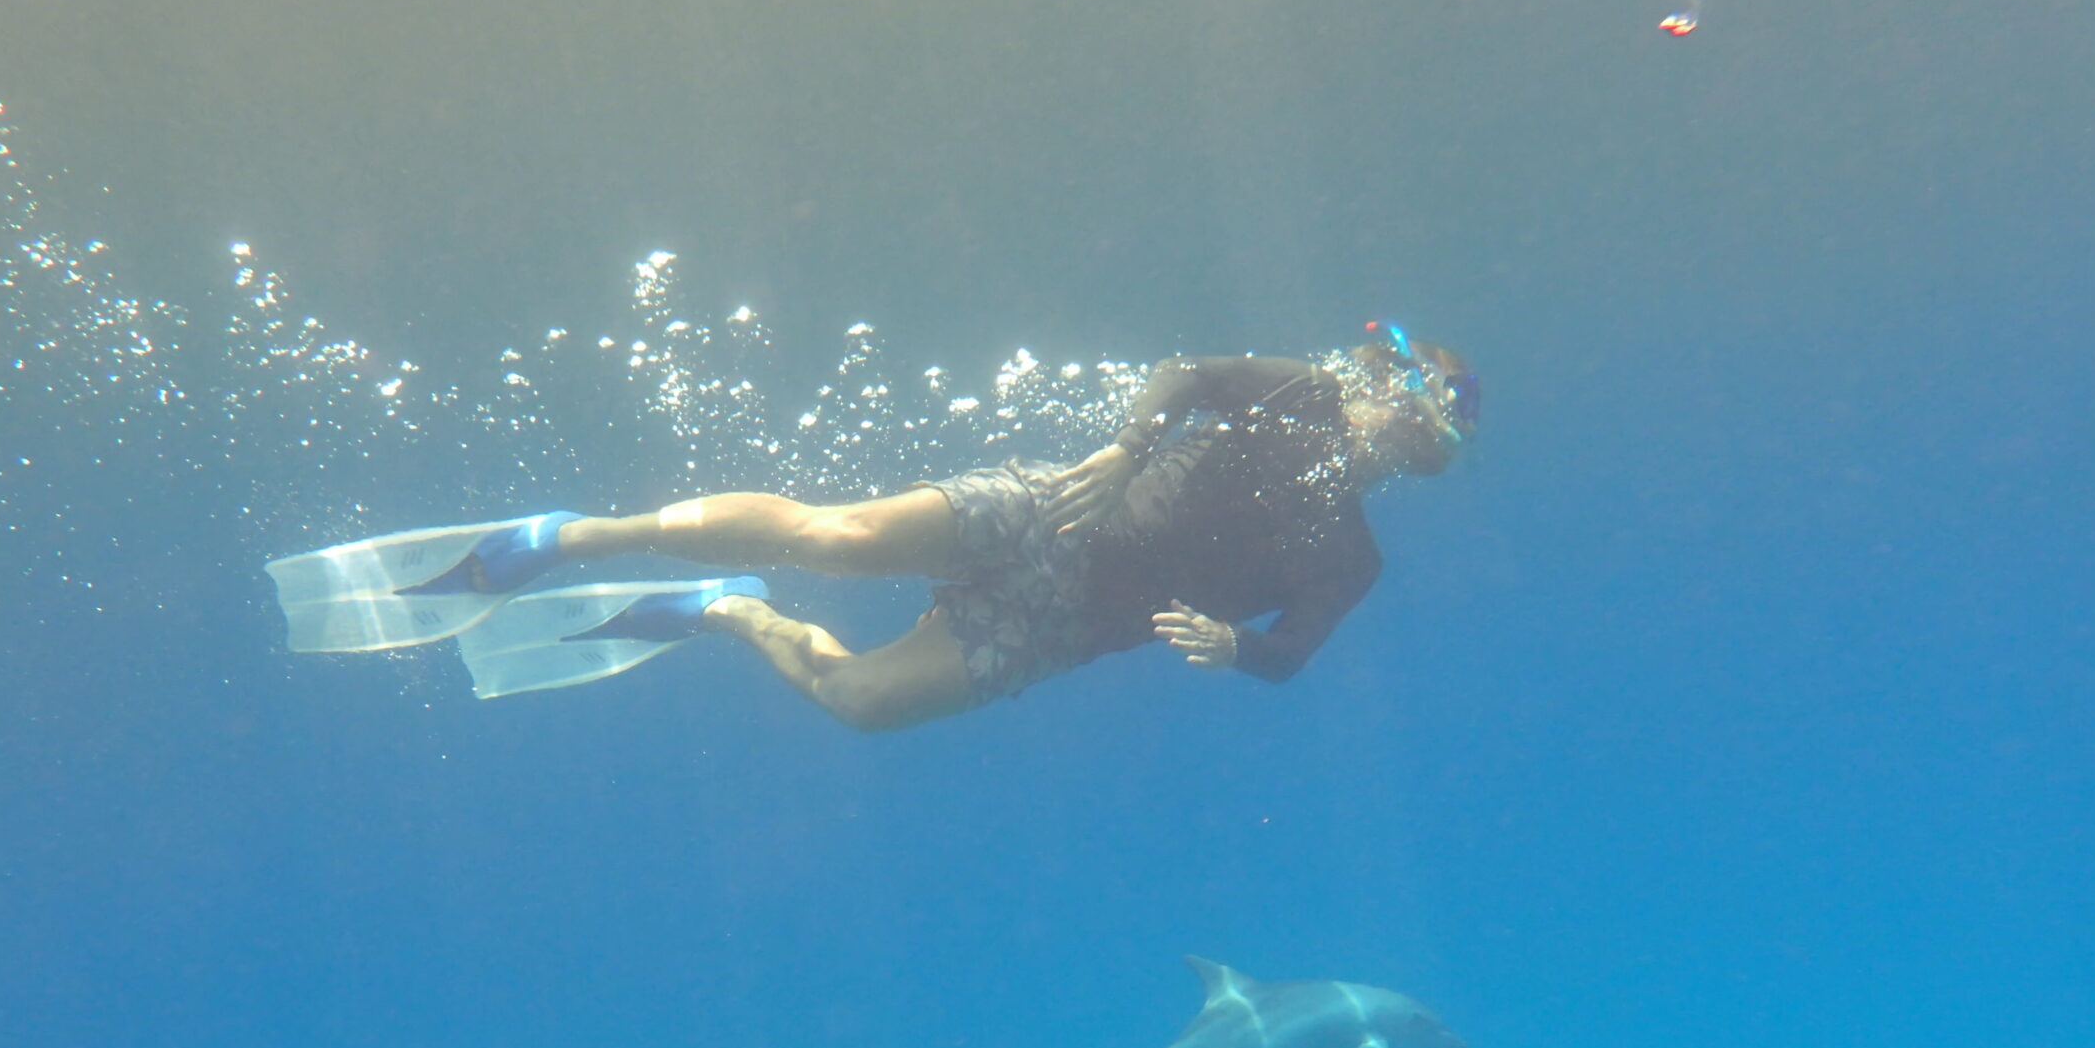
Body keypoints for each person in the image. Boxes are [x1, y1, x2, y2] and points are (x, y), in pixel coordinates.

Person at [421, 325, 1475, 731]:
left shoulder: (1351, 555)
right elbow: (1189, 371)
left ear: (1415, 449)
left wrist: (1236, 646)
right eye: (1381, 380)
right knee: (825, 538)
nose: (1372, 402)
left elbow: (1291, 656)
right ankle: (575, 538)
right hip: (1044, 511)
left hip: (1067, 629)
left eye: (1402, 412)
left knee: (864, 703)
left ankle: (726, 612)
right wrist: (1123, 448)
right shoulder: (1296, 393)